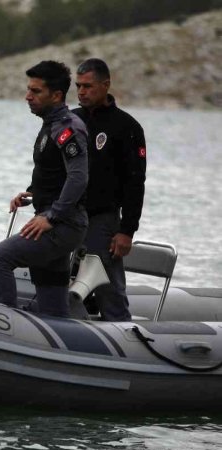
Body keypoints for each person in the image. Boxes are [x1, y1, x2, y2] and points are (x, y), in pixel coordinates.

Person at [0, 60, 89, 317]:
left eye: (35, 91)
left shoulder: (67, 128)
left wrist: (51, 217)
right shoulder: (51, 124)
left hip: (61, 225)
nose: (27, 96)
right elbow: (57, 172)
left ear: (56, 95)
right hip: (55, 220)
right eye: (28, 89)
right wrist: (33, 193)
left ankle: (4, 326)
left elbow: (78, 178)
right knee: (52, 299)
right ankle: (63, 345)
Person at [72, 58, 147, 321]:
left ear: (106, 85)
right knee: (59, 278)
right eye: (78, 86)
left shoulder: (127, 128)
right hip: (68, 216)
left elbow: (135, 182)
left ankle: (121, 331)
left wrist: (127, 230)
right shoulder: (71, 120)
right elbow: (53, 167)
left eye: (88, 86)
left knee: (107, 287)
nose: (81, 92)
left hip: (102, 220)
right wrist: (32, 191)